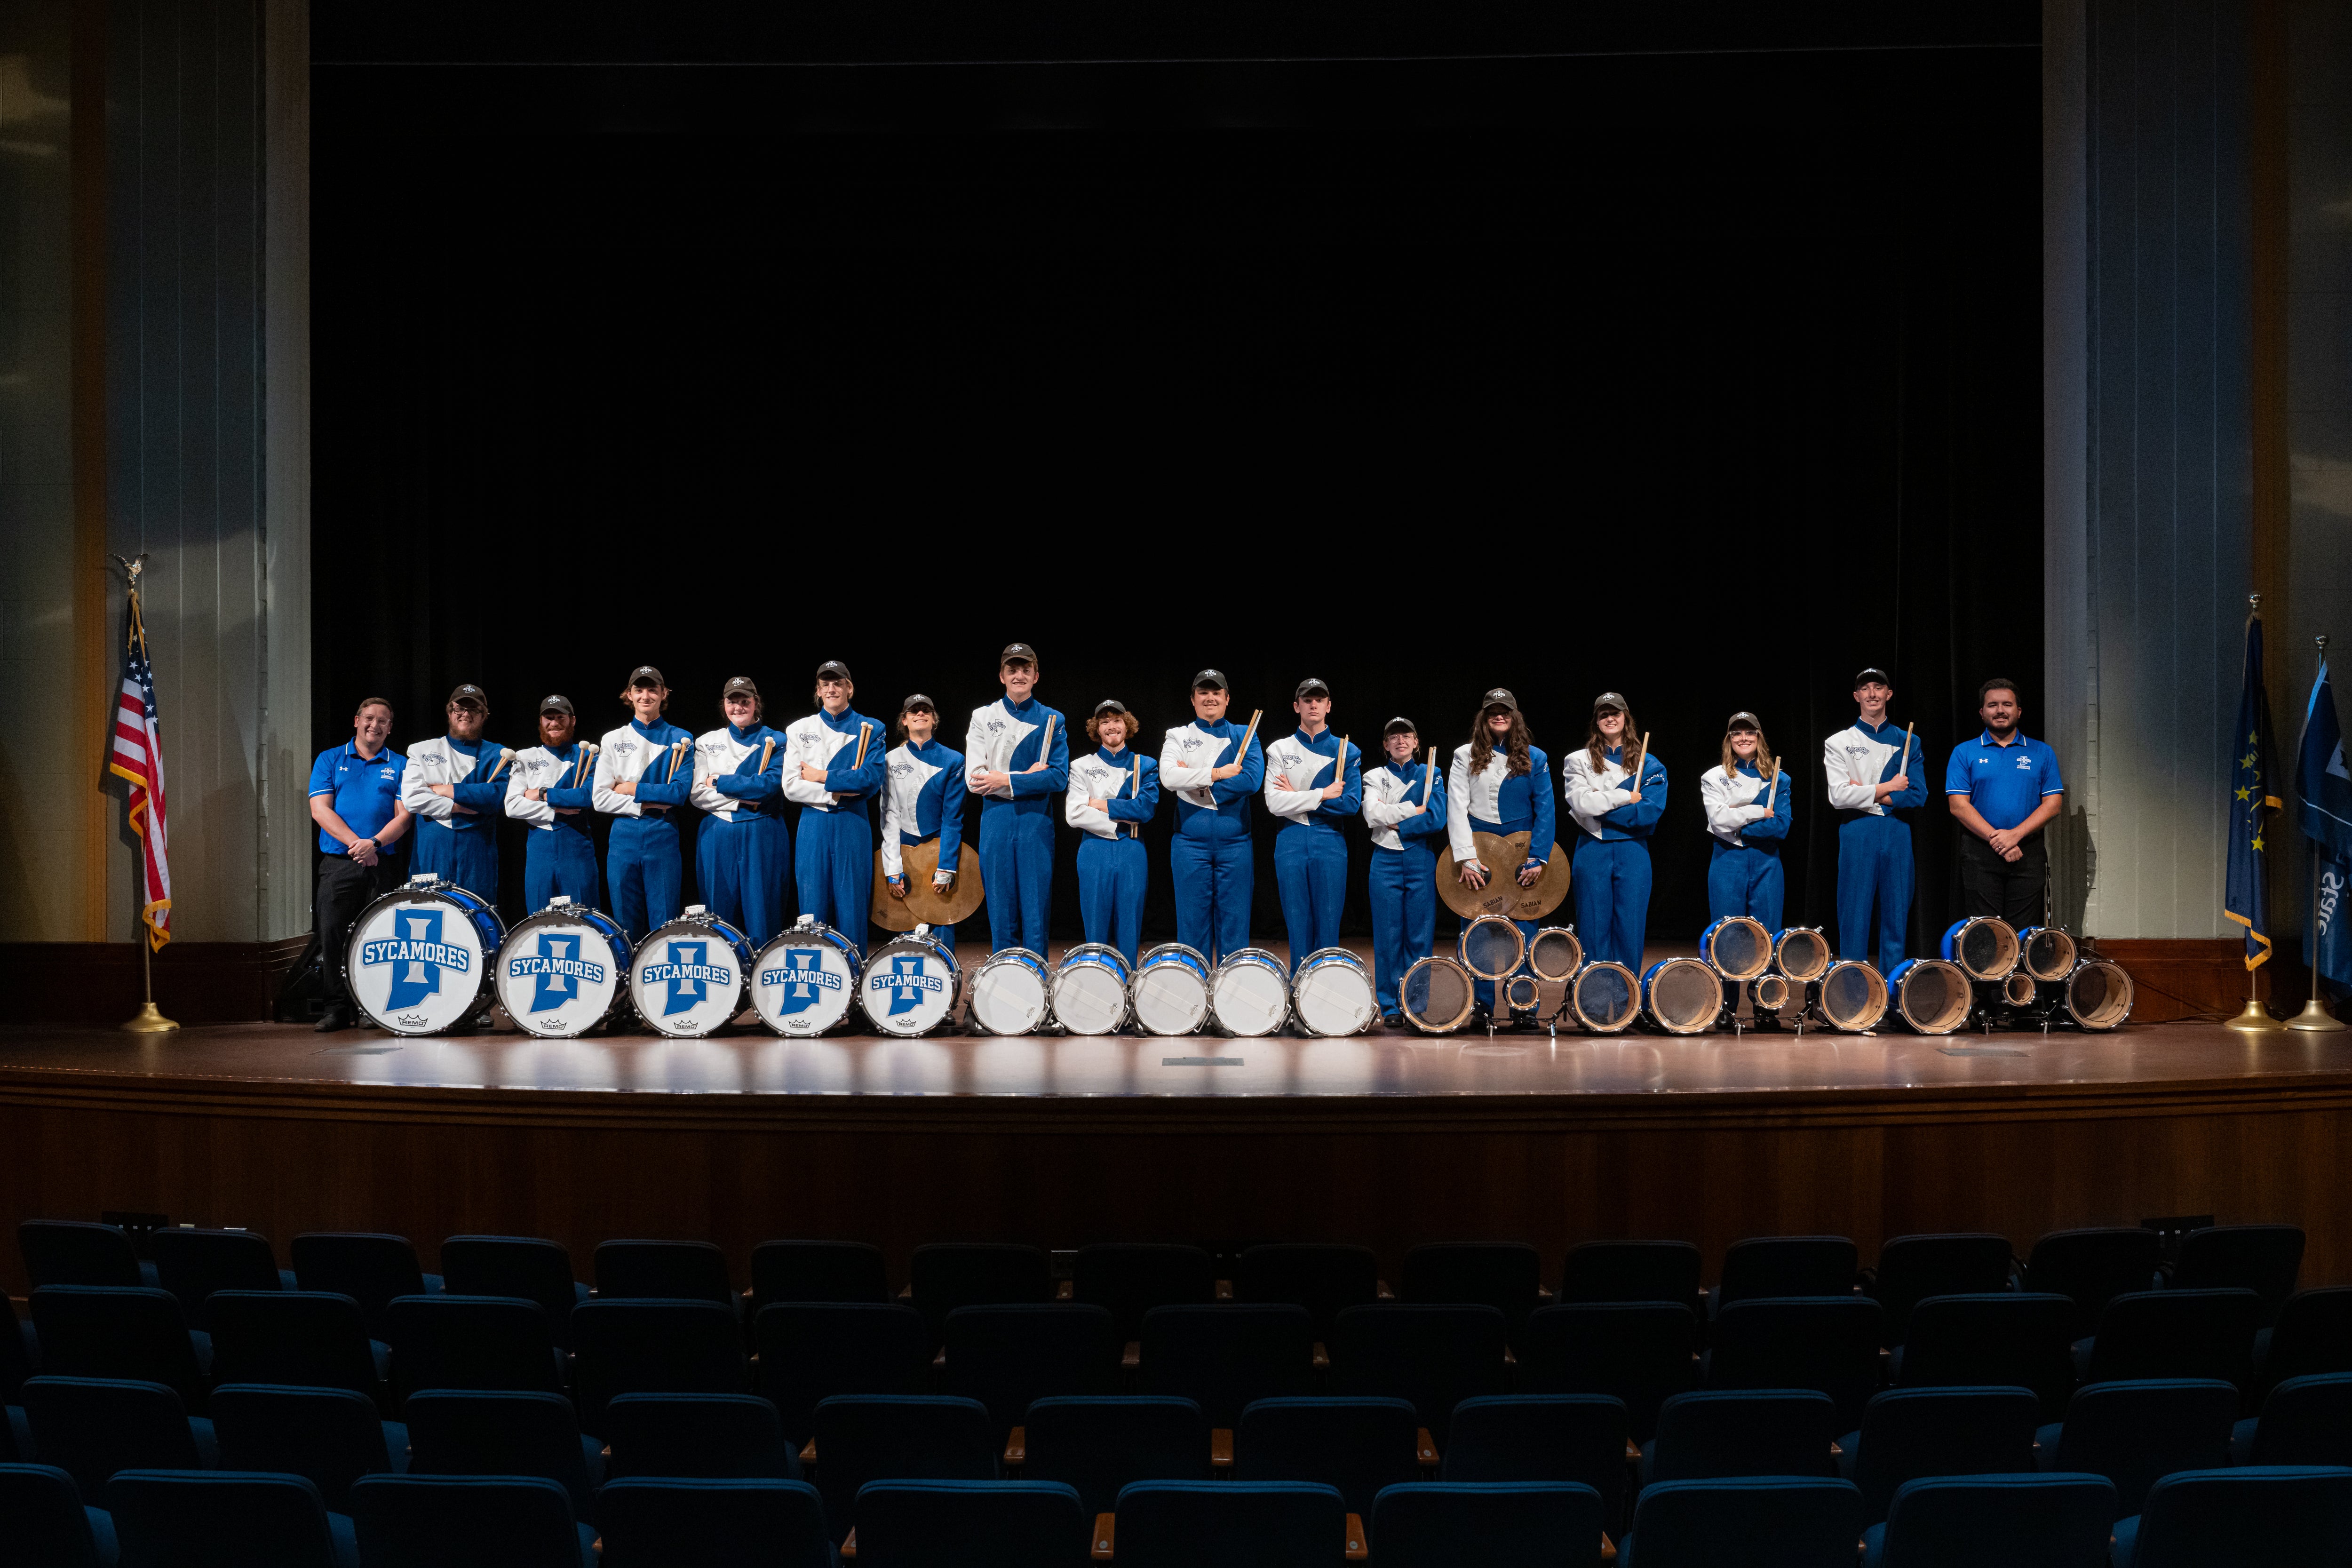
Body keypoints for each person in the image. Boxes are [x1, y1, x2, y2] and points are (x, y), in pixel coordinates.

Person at [1447, 688, 1557, 1013]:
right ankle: (1481, 1008)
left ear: (1514, 716)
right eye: (1493, 711)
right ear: (1484, 716)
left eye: (1505, 711)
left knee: (1524, 931)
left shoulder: (1536, 757)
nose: (1499, 715)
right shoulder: (1463, 755)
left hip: (1523, 856)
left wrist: (1538, 857)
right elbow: (1456, 807)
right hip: (1479, 854)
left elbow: (1546, 810)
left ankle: (1524, 1007)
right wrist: (1466, 857)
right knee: (1479, 931)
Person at [307, 697, 413, 1032]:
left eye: (383, 721)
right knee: (333, 934)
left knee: (380, 938)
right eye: (369, 718)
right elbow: (320, 810)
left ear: (390, 727)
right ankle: (337, 1008)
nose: (375, 725)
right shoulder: (330, 759)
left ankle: (372, 1007)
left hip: (383, 862)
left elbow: (406, 816)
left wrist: (375, 844)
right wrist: (359, 845)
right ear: (356, 720)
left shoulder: (401, 764)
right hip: (339, 864)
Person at [965, 644, 1069, 956]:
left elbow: (1058, 778)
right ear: (1002, 676)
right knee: (1000, 906)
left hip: (1036, 820)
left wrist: (1004, 779)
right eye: (1013, 670)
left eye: (1026, 669)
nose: (1019, 675)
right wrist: (1027, 778)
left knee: (1036, 908)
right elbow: (975, 780)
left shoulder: (1053, 719)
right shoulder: (983, 716)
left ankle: (1037, 979)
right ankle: (1003, 981)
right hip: (996, 819)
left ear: (1036, 676)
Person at [782, 660, 889, 960]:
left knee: (853, 906)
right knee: (812, 907)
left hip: (853, 824)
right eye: (826, 684)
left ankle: (854, 981)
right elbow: (790, 787)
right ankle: (817, 981)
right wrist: (842, 789)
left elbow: (869, 781)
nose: (832, 689)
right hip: (813, 825)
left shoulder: (872, 728)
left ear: (849, 689)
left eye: (838, 683)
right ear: (818, 691)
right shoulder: (799, 729)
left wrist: (820, 776)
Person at [1824, 667, 1927, 975]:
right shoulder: (1839, 741)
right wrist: (1889, 787)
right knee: (1854, 916)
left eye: (1878, 687)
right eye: (1865, 688)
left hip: (1896, 831)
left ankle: (1894, 1000)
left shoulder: (1908, 740)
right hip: (1858, 831)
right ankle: (1853, 1001)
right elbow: (1839, 797)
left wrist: (1867, 792)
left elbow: (1918, 795)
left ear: (1888, 694)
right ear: (1857, 696)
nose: (1872, 693)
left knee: (1896, 917)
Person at [1160, 668, 1265, 964]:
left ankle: (1229, 1001)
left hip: (1236, 844)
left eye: (1216, 692)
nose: (1210, 698)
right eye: (1203, 693)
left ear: (1227, 699)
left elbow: (1252, 780)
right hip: (1189, 845)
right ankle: (1196, 1000)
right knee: (1192, 924)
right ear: (1193, 700)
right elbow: (1168, 777)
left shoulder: (1245, 734)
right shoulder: (1177, 735)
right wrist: (1216, 775)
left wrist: (1193, 784)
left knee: (1235, 925)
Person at [1562, 692, 1669, 972]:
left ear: (1626, 718)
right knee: (1592, 930)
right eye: (1603, 714)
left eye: (1616, 713)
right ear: (1596, 722)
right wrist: (1625, 798)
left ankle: (1626, 1008)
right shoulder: (1577, 760)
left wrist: (1600, 805)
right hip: (1592, 849)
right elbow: (1581, 804)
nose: (1610, 718)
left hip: (1633, 851)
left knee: (1630, 929)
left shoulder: (1650, 763)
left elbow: (1647, 814)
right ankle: (1594, 1010)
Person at [1945, 678, 2065, 923]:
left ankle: (2020, 965)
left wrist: (2015, 836)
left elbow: (2054, 805)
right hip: (1980, 851)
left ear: (2018, 711)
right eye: (1993, 705)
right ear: (1982, 712)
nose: (2000, 710)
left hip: (2027, 851)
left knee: (2025, 929)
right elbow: (1958, 806)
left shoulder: (2042, 752)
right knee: (1986, 930)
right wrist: (1998, 840)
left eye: (2007, 704)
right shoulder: (1964, 752)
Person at [1263, 677, 1362, 971]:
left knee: (1329, 926)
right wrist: (1320, 794)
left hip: (1330, 841)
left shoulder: (1347, 751)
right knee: (1297, 924)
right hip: (1290, 841)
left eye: (1320, 699)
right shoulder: (1279, 749)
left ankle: (1325, 1002)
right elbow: (1274, 804)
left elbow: (1350, 804)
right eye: (1307, 700)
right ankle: (1299, 998)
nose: (1314, 704)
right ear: (1297, 707)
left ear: (1329, 706)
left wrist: (1295, 795)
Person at [593, 666, 696, 941]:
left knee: (664, 923)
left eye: (653, 689)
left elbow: (678, 795)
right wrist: (645, 803)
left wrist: (629, 788)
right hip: (623, 837)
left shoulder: (682, 739)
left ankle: (658, 984)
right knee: (625, 924)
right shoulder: (612, 739)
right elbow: (600, 799)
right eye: (639, 690)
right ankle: (628, 984)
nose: (645, 696)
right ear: (629, 694)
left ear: (664, 694)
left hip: (663, 833)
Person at [691, 677, 791, 947]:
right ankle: (726, 980)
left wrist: (719, 781)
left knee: (764, 912)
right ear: (723, 705)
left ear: (756, 703)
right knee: (718, 914)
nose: (738, 707)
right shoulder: (706, 742)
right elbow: (697, 794)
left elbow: (769, 788)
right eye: (732, 701)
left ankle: (761, 980)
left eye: (744, 701)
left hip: (763, 831)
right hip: (717, 832)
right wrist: (740, 801)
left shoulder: (777, 740)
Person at [1362, 716, 1448, 1025]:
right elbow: (1373, 815)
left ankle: (1415, 1005)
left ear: (1416, 743)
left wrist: (1395, 819)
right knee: (1387, 936)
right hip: (1384, 859)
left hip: (1420, 858)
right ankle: (1389, 1006)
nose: (1400, 740)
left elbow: (1437, 819)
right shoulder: (1374, 776)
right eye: (1393, 736)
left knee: (1419, 936)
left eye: (1407, 735)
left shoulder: (1431, 773)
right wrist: (1414, 811)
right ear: (1386, 745)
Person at [1066, 698, 1161, 966]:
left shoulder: (1145, 765)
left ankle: (1127, 985)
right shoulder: (1081, 766)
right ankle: (1098, 982)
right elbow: (1074, 814)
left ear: (1127, 725)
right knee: (1095, 927)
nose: (1111, 726)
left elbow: (1144, 810)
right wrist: (1123, 816)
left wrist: (1099, 804)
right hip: (1093, 850)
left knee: (1129, 927)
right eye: (1104, 721)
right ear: (1097, 729)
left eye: (1117, 720)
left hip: (1131, 850)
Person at [398, 684, 506, 903]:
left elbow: (498, 796)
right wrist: (458, 806)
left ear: (484, 716)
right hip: (432, 846)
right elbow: (412, 799)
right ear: (450, 712)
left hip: (477, 850)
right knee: (428, 912)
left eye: (474, 710)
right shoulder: (422, 750)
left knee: (477, 915)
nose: (466, 714)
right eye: (460, 709)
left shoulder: (499, 754)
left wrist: (445, 790)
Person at [879, 694, 968, 951]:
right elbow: (889, 815)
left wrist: (947, 866)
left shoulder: (954, 760)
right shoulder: (890, 760)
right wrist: (892, 866)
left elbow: (953, 818)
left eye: (926, 710)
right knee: (906, 932)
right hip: (904, 849)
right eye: (914, 711)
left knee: (942, 924)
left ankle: (946, 987)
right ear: (904, 720)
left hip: (940, 849)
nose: (920, 714)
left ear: (934, 719)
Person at [503, 694, 600, 911]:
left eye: (560, 717)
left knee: (583, 916)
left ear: (572, 720)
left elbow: (586, 798)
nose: (554, 723)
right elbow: (512, 806)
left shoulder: (589, 756)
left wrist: (540, 794)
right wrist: (559, 809)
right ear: (541, 722)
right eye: (548, 718)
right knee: (539, 918)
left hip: (576, 843)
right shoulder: (525, 757)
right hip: (539, 847)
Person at [1701, 710, 1793, 930]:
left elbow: (1781, 826)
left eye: (1750, 732)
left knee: (1766, 935)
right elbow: (1719, 820)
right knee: (1727, 933)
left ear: (1759, 737)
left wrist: (1739, 828)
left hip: (1767, 862)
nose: (1744, 738)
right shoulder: (1713, 776)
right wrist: (1760, 811)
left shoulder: (1778, 778)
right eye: (1737, 733)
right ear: (1729, 740)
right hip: (1727, 860)